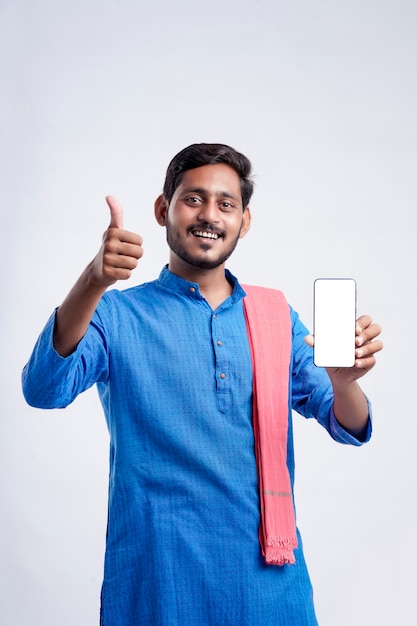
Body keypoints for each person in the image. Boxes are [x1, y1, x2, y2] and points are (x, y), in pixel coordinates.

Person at [22, 143, 383, 626]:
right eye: (193, 199)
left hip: (269, 581)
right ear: (162, 208)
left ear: (244, 221)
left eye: (225, 204)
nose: (209, 215)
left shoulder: (275, 317)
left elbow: (346, 423)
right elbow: (44, 389)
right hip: (158, 581)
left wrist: (344, 382)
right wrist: (93, 280)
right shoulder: (117, 313)